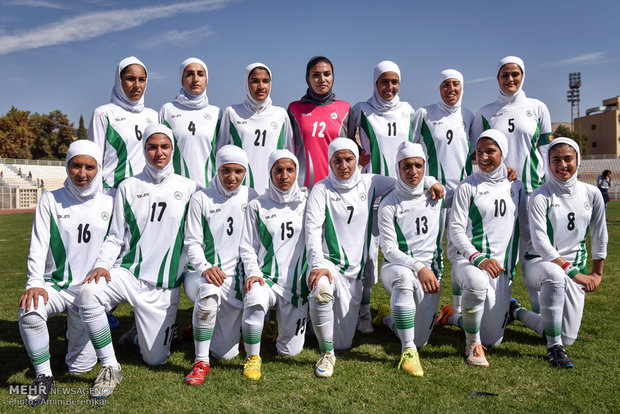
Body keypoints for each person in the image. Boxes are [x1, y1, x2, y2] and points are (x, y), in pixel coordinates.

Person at [305, 138, 442, 378]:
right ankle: (326, 354)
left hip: (355, 274)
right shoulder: (321, 188)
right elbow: (312, 229)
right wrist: (318, 264)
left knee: (344, 343)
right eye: (337, 160)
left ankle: (321, 325)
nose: (344, 165)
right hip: (329, 265)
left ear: (357, 161)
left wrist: (431, 180)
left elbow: (408, 178)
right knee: (321, 291)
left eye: (349, 159)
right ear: (330, 162)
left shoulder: (370, 183)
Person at [79, 124, 198, 398]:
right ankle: (110, 366)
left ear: (173, 149)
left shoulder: (189, 188)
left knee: (155, 360)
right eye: (152, 147)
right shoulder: (128, 186)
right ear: (144, 149)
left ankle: (136, 334)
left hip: (162, 287)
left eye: (164, 146)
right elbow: (115, 236)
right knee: (88, 293)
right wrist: (101, 265)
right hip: (128, 274)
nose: (158, 152)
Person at [17, 141, 113, 405]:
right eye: (76, 166)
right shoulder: (51, 199)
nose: (82, 173)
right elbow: (38, 244)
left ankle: (84, 325)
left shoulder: (111, 201)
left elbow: (116, 243)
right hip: (57, 286)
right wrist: (34, 282)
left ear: (99, 168)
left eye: (89, 167)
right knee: (30, 310)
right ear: (67, 166)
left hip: (90, 292)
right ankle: (44, 375)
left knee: (79, 368)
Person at [511, 138, 607, 368]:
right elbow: (541, 243)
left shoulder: (592, 193)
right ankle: (554, 347)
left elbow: (600, 234)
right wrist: (574, 274)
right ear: (548, 162)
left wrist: (597, 273)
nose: (562, 165)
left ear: (578, 160)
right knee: (554, 275)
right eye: (556, 160)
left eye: (568, 159)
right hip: (539, 264)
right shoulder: (541, 196)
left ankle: (516, 311)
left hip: (575, 269)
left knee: (569, 337)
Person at [435, 129, 527, 367]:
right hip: (470, 263)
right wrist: (477, 258)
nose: (483, 157)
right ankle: (473, 344)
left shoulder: (516, 187)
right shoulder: (468, 186)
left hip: (500, 270)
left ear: (503, 153)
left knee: (494, 340)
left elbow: (523, 229)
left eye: (490, 151)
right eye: (479, 152)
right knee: (476, 285)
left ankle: (452, 316)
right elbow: (455, 230)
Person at [350, 60, 416, 333]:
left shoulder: (409, 111)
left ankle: (396, 307)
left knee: (399, 250)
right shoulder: (360, 110)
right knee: (366, 253)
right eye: (383, 82)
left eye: (394, 82)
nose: (389, 87)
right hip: (370, 190)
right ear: (375, 83)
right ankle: (364, 312)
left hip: (401, 193)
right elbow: (348, 143)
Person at [182, 145, 257, 385]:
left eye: (238, 171)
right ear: (217, 169)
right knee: (208, 291)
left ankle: (198, 327)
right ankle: (200, 362)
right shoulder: (201, 198)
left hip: (235, 280)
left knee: (225, 353)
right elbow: (191, 243)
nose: (232, 177)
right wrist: (204, 267)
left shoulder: (252, 196)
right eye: (226, 170)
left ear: (245, 172)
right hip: (201, 275)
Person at [238, 150, 309, 380]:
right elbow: (247, 245)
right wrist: (253, 273)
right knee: (255, 296)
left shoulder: (308, 202)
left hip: (296, 286)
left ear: (297, 172)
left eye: (290, 170)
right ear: (270, 173)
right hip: (267, 278)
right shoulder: (257, 205)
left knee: (289, 352)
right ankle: (253, 357)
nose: (284, 175)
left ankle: (281, 326)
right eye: (278, 170)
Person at [377, 142, 444, 377]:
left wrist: (506, 175)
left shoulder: (436, 194)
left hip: (430, 275)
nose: (413, 171)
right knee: (405, 279)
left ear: (425, 167)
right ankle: (408, 352)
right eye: (407, 166)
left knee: (422, 339)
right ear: (398, 168)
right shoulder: (388, 204)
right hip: (396, 268)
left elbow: (467, 189)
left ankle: (387, 317)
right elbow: (389, 249)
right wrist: (419, 267)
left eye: (418, 165)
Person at [412, 69, 474, 315]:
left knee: (460, 251)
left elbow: (480, 152)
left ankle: (457, 309)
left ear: (462, 86)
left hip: (462, 197)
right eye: (445, 85)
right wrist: (427, 180)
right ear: (439, 88)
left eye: (455, 84)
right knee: (430, 251)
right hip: (432, 196)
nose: (451, 89)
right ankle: (427, 310)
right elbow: (410, 150)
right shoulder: (424, 114)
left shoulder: (469, 116)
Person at [471, 56, 552, 195]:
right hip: (496, 189)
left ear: (523, 76)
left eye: (515, 74)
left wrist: (551, 185)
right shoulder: (484, 113)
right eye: (505, 75)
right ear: (498, 78)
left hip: (532, 188)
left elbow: (546, 150)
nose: (510, 79)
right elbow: (472, 149)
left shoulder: (538, 108)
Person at [218, 63, 294, 194]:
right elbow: (220, 152)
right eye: (254, 81)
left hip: (273, 190)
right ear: (246, 84)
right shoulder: (232, 113)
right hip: (240, 190)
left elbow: (290, 154)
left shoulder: (280, 114)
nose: (261, 86)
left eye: (265, 81)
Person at [89, 56, 158, 195]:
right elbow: (94, 160)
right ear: (119, 81)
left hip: (145, 193)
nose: (137, 85)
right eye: (130, 79)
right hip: (112, 193)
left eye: (142, 80)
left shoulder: (154, 116)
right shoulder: (103, 114)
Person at [288, 56, 356, 188]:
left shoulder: (345, 109)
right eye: (316, 75)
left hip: (336, 187)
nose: (322, 79)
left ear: (333, 76)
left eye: (327, 74)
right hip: (303, 188)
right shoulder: (294, 109)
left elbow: (352, 150)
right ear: (308, 78)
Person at [159, 57, 221, 188]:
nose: (195, 79)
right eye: (189, 74)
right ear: (182, 80)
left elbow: (221, 154)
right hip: (175, 189)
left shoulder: (216, 113)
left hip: (208, 190)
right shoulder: (167, 110)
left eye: (200, 74)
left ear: (207, 79)